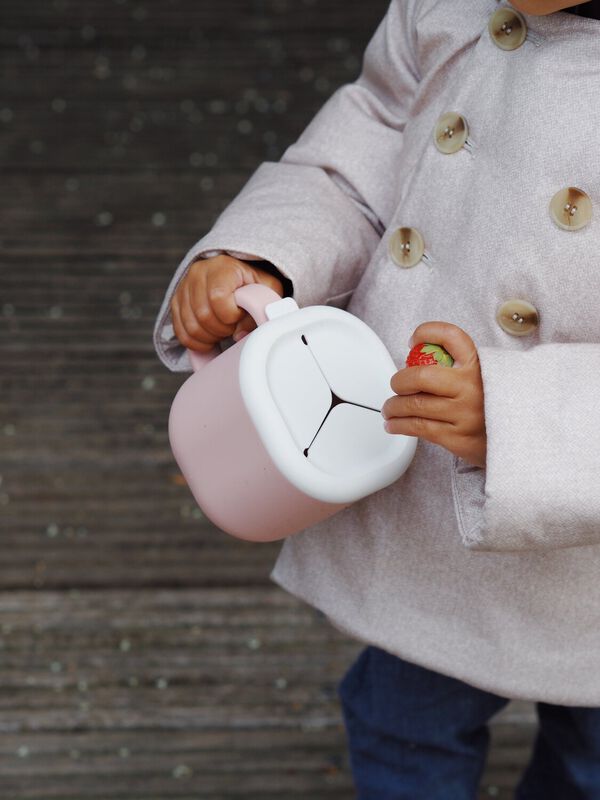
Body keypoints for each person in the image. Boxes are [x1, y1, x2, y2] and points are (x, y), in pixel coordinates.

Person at [154, 1, 600, 796]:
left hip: (582, 551)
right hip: (425, 514)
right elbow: (375, 133)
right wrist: (267, 256)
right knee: (402, 725)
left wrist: (518, 419)